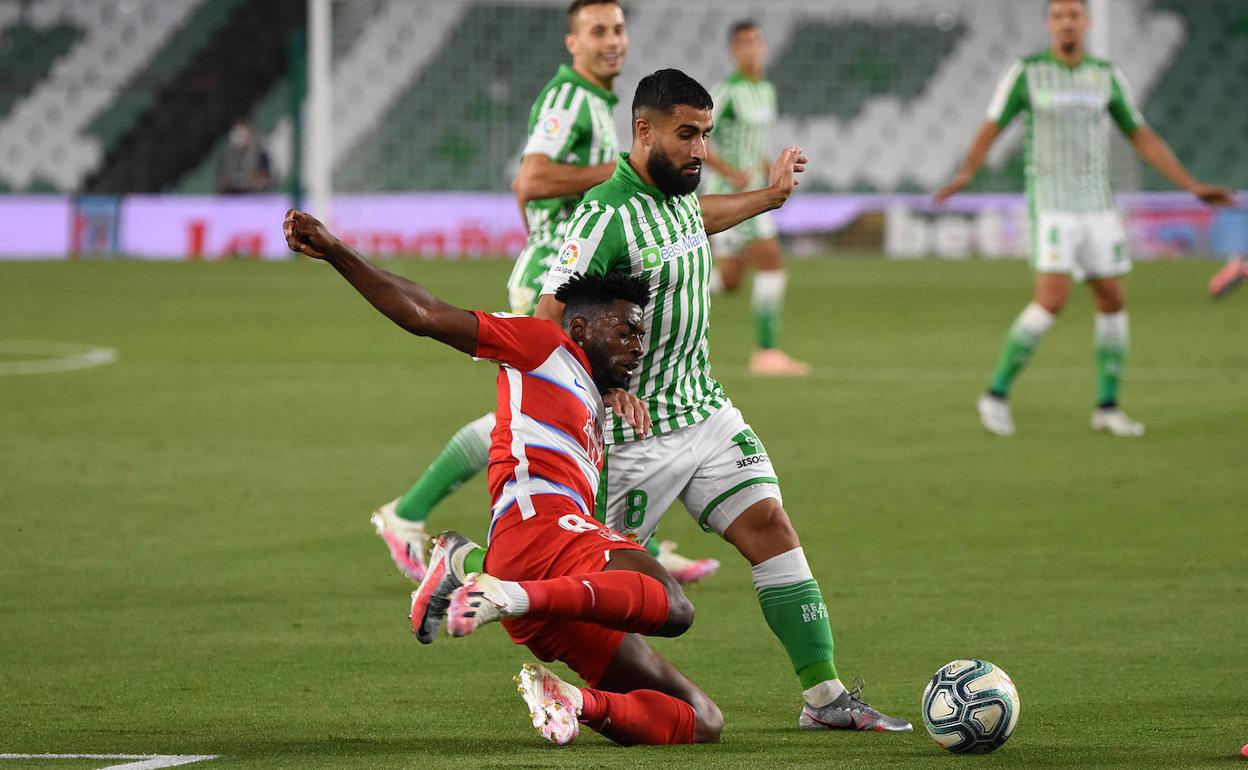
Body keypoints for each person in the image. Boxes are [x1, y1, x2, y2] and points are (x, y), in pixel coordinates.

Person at [519, 68, 908, 732]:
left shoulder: (675, 196)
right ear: (643, 131)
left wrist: (771, 197)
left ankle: (825, 697)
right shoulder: (605, 215)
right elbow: (548, 313)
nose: (701, 149)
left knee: (771, 528)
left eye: (705, 134)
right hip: (630, 439)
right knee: (600, 601)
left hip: (702, 412)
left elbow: (698, 220)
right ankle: (485, 584)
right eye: (686, 134)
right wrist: (605, 388)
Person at [283, 208, 722, 747]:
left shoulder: (591, 393)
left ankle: (569, 696)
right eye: (626, 331)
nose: (637, 346)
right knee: (673, 606)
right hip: (539, 537)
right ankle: (501, 591)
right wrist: (337, 251)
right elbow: (424, 312)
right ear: (579, 328)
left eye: (641, 336)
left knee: (701, 720)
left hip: (550, 572)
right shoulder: (540, 344)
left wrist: (607, 394)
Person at [370, 0, 717, 586]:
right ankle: (409, 516)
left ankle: (633, 541)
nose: (613, 41)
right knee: (547, 415)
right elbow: (530, 180)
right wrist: (619, 172)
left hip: (585, 270)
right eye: (597, 31)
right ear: (571, 43)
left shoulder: (597, 100)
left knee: (589, 409)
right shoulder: (570, 100)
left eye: (618, 29)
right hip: (562, 277)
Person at [935, 0, 1235, 437]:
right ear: (1049, 24)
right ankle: (995, 395)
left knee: (1112, 297)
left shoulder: (1106, 77)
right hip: (1053, 205)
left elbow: (1140, 133)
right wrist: (966, 171)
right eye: (1058, 15)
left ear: (1086, 22)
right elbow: (991, 126)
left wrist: (1190, 185)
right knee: (1052, 299)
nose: (1067, 22)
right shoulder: (1027, 73)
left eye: (1074, 14)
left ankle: (1107, 406)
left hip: (1098, 206)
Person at [705, 19, 809, 376]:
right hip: (731, 195)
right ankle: (766, 353)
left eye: (757, 42)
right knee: (772, 265)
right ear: (734, 50)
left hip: (753, 191)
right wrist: (729, 171)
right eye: (745, 43)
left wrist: (770, 169)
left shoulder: (765, 89)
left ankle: (671, 282)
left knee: (730, 281)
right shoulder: (727, 92)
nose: (752, 48)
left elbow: (756, 143)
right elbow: (696, 136)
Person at [216, 119, 270, 194]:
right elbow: (221, 177)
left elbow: (264, 175)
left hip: (253, 195)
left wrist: (254, 180)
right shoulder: (227, 152)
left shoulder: (259, 151)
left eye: (242, 132)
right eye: (237, 132)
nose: (239, 136)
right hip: (231, 194)